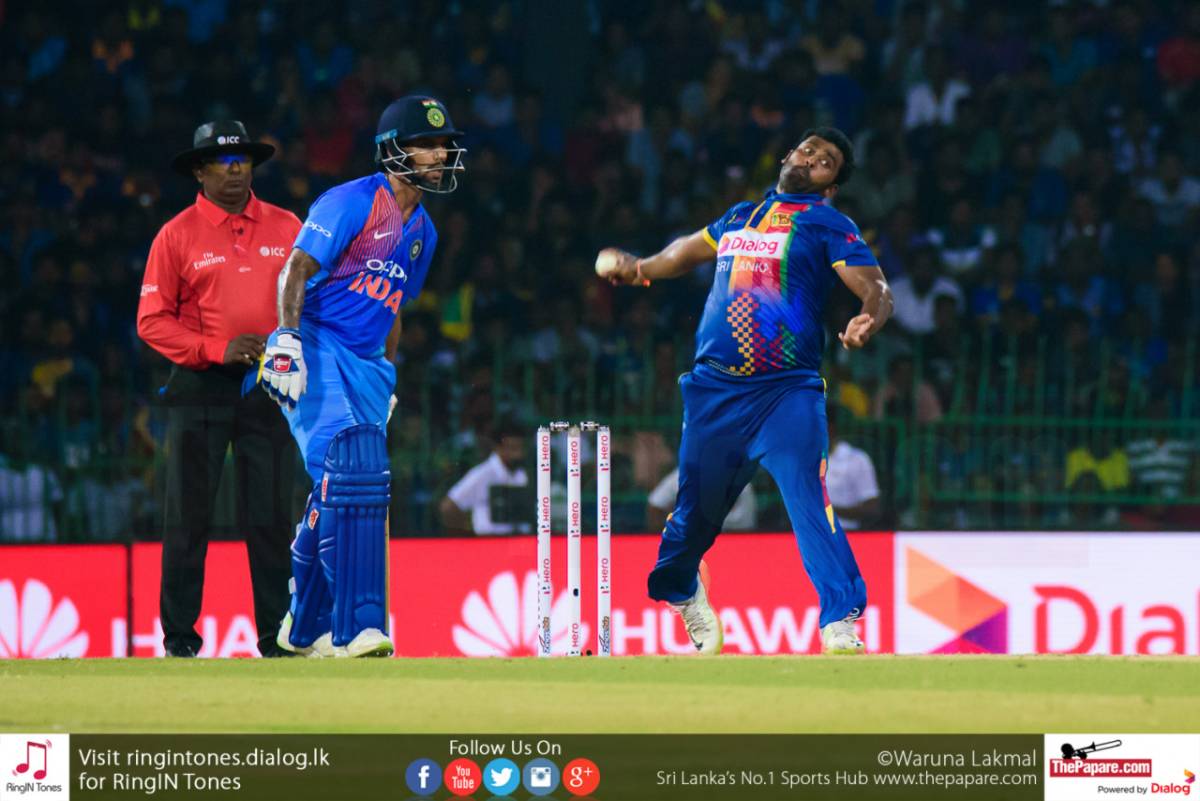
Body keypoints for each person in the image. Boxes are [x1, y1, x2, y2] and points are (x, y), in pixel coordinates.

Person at [598, 127, 892, 655]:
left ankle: (839, 620)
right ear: (786, 156)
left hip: (786, 390)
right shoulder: (739, 216)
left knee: (808, 495)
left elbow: (876, 287)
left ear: (830, 187)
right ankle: (684, 588)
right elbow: (684, 253)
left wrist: (869, 316)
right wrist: (639, 269)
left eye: (825, 162)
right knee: (694, 514)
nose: (811, 159)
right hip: (715, 391)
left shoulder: (827, 222)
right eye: (807, 149)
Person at [263, 96, 464, 657]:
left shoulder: (424, 231)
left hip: (367, 364)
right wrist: (286, 341)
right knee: (351, 475)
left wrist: (387, 376)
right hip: (316, 345)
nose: (440, 153)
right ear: (394, 149)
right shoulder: (351, 200)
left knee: (343, 483)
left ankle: (303, 626)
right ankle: (357, 626)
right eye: (426, 144)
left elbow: (392, 307)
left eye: (444, 144)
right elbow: (296, 268)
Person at [137, 120, 302, 658]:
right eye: (223, 162)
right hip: (201, 385)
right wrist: (215, 349)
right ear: (199, 171)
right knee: (187, 516)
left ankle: (277, 639)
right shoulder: (176, 234)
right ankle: (180, 642)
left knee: (271, 516)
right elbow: (151, 321)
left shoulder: (287, 225)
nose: (236, 171)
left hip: (270, 386)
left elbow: (313, 297)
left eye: (243, 161)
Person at [439, 421, 531, 535]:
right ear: (498, 447)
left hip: (520, 540)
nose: (518, 454)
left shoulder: (522, 474)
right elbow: (448, 507)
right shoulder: (482, 474)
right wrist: (470, 536)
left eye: (521, 448)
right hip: (488, 539)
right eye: (513, 448)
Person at [823, 403, 881, 530]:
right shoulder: (803, 460)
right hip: (804, 534)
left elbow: (871, 507)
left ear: (830, 428)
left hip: (847, 533)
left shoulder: (857, 459)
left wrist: (828, 510)